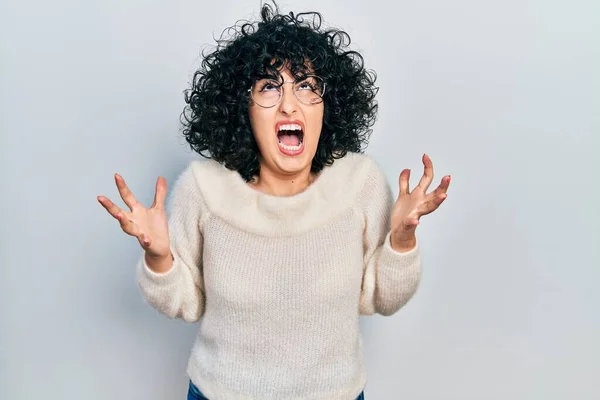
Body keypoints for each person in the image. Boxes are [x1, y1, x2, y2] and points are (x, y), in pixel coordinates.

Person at [97, 2, 450, 399]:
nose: (289, 103)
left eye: (306, 86)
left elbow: (380, 298)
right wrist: (159, 257)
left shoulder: (361, 184)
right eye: (268, 86)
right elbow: (186, 302)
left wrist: (401, 241)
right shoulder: (203, 189)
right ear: (242, 109)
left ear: (327, 107)